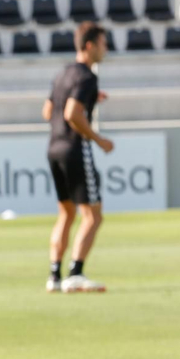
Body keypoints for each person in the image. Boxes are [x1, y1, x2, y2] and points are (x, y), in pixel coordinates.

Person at [42, 22, 111, 293]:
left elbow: (49, 111)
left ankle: (54, 276)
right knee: (93, 215)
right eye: (103, 43)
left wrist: (92, 98)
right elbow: (72, 113)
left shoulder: (63, 74)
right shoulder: (86, 76)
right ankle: (76, 272)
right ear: (90, 45)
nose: (106, 49)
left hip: (53, 148)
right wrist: (98, 139)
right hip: (74, 148)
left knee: (66, 213)